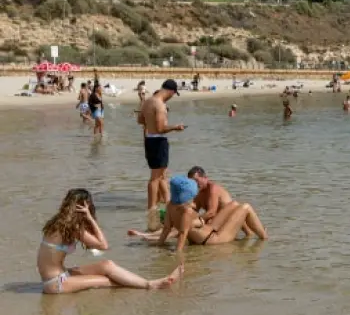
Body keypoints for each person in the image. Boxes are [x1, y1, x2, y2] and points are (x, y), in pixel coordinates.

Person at [38, 189, 182, 294]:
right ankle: (150, 285)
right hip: (56, 283)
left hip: (61, 275)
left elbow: (93, 245)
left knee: (107, 265)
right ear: (84, 206)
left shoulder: (59, 222)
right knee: (109, 281)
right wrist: (89, 218)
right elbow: (103, 245)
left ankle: (148, 283)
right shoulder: (73, 227)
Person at [146, 177, 267, 260]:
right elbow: (183, 234)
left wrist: (159, 245)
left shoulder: (170, 206)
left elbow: (167, 228)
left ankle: (251, 234)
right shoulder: (187, 211)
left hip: (208, 231)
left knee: (234, 204)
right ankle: (264, 238)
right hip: (214, 239)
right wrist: (178, 253)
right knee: (246, 207)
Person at [137, 79, 183, 231]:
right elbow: (161, 128)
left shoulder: (148, 101)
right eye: (173, 94)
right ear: (170, 91)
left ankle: (170, 206)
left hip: (149, 139)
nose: (172, 97)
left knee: (162, 175)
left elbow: (140, 120)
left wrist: (150, 124)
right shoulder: (160, 105)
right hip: (158, 141)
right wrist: (175, 127)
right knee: (155, 178)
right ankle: (152, 212)